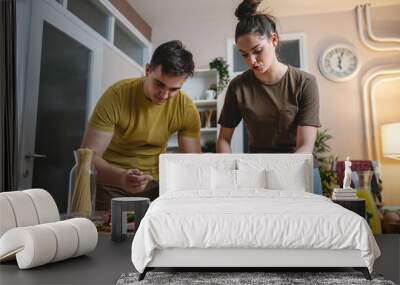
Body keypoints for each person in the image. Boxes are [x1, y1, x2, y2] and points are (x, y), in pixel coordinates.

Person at [217, 0, 323, 194]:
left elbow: (305, 145)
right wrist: (230, 172)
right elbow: (224, 139)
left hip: (300, 170)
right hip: (259, 173)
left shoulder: (305, 82)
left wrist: (281, 175)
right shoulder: (238, 87)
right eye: (244, 55)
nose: (252, 61)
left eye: (257, 51)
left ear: (274, 39)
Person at [81, 40, 202, 211]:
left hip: (156, 187)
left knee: (156, 234)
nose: (164, 95)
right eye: (159, 84)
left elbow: (193, 164)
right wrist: (122, 178)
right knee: (116, 233)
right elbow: (88, 158)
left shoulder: (186, 108)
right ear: (147, 70)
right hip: (112, 185)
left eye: (174, 89)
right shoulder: (116, 96)